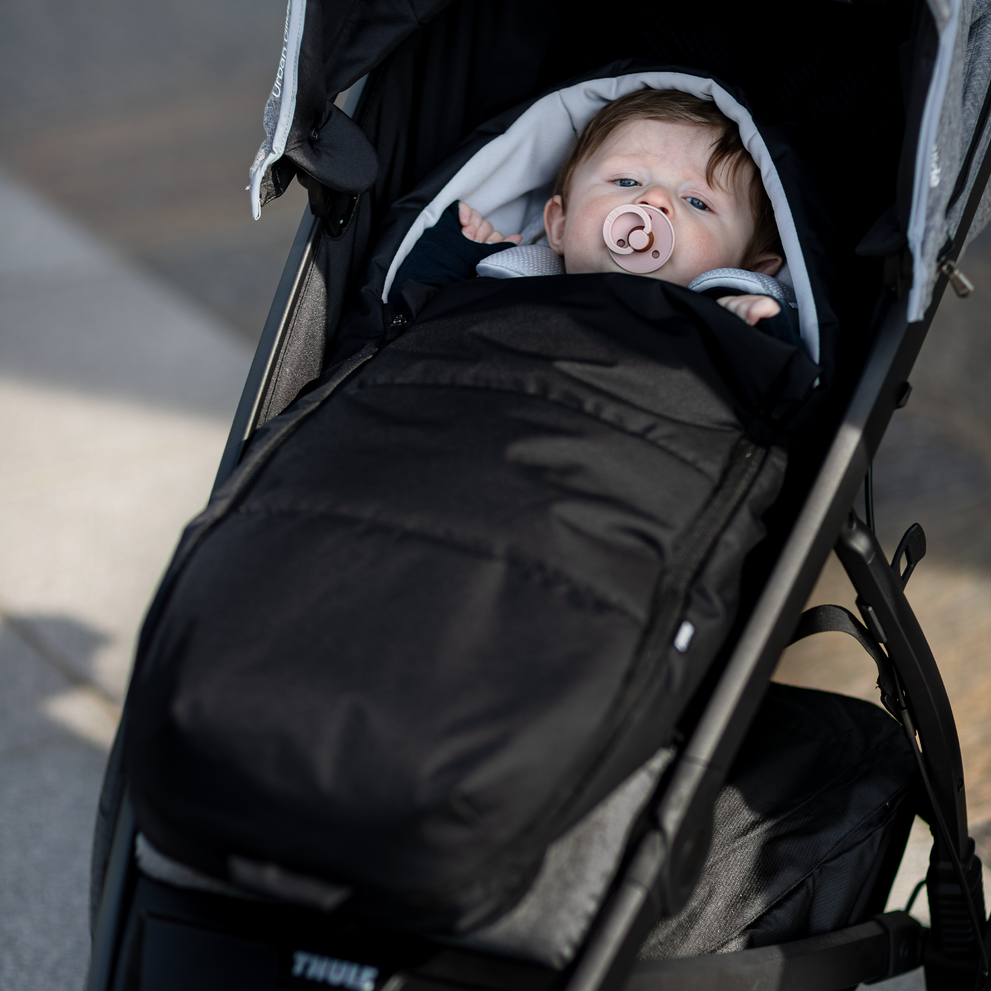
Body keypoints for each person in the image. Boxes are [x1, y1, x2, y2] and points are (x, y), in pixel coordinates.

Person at [393, 89, 793, 334]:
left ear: (752, 268)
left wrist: (757, 328)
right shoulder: (510, 273)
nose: (653, 201)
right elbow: (406, 314)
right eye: (625, 182)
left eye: (697, 202)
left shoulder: (733, 313)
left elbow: (781, 385)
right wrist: (455, 253)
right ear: (561, 226)